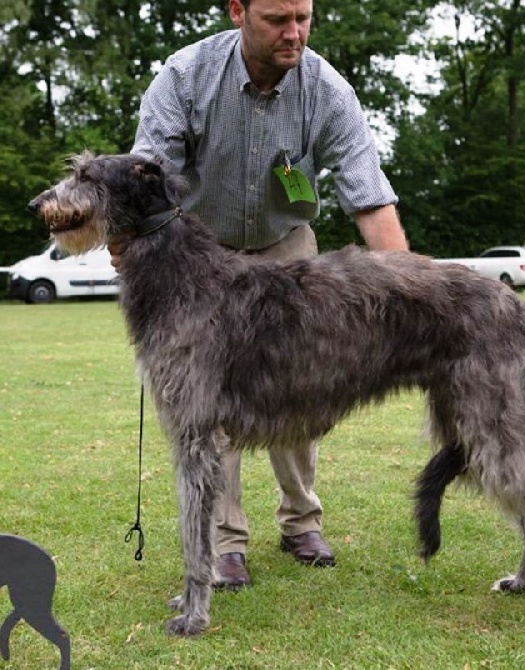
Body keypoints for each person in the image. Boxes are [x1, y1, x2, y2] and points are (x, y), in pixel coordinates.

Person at [111, 0, 409, 589]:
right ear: (238, 12)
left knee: (298, 388)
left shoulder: (325, 86)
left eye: (303, 17)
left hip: (286, 252)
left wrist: (416, 290)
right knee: (206, 407)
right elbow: (146, 176)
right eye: (277, 19)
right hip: (200, 259)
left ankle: (301, 519)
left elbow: (368, 195)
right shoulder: (184, 75)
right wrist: (128, 244)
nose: (293, 33)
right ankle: (226, 543)